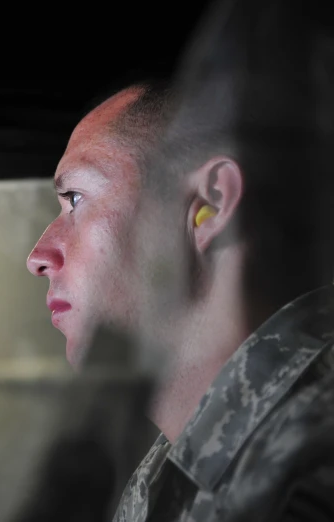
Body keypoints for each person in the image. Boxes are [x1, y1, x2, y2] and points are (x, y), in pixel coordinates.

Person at [25, 59, 334, 522]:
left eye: (75, 199)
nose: (38, 256)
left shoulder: (313, 457)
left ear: (207, 205)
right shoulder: (168, 469)